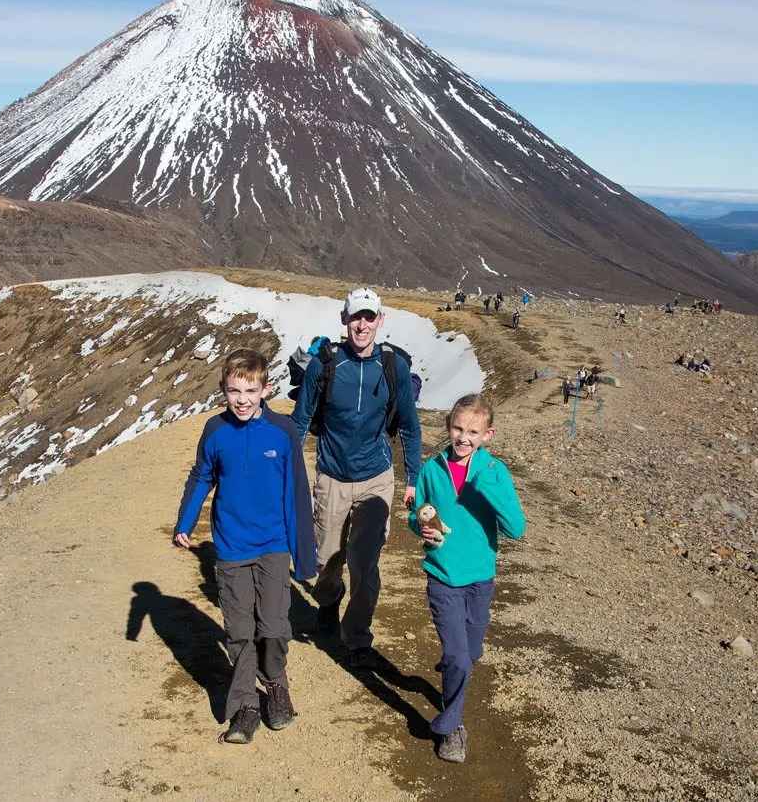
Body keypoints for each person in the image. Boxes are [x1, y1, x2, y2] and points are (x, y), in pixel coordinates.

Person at [174, 349, 315, 744]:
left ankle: (276, 684)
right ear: (222, 389)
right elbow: (201, 477)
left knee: (272, 626)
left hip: (273, 544)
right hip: (232, 546)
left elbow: (296, 494)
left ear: (265, 389)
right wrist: (185, 521)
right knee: (238, 630)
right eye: (233, 390)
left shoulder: (283, 431)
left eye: (249, 390)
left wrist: (303, 555)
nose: (241, 399)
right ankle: (244, 708)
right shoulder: (215, 430)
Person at [292, 287, 423, 669]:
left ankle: (358, 638)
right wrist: (288, 470)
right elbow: (301, 420)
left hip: (376, 478)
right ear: (344, 320)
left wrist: (413, 479)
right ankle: (329, 600)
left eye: (369, 317)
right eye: (355, 317)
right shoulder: (324, 364)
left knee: (365, 563)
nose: (362, 325)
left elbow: (411, 428)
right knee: (325, 560)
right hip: (332, 476)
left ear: (380, 321)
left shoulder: (393, 366)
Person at [408, 394, 525, 763]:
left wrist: (484, 486)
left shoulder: (494, 473)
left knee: (470, 654)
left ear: (488, 435)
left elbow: (515, 529)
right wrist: (422, 528)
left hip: (480, 579)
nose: (463, 437)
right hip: (442, 575)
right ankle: (451, 728)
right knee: (460, 657)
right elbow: (420, 513)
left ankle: (454, 664)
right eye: (458, 428)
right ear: (448, 427)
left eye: (473, 431)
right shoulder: (431, 468)